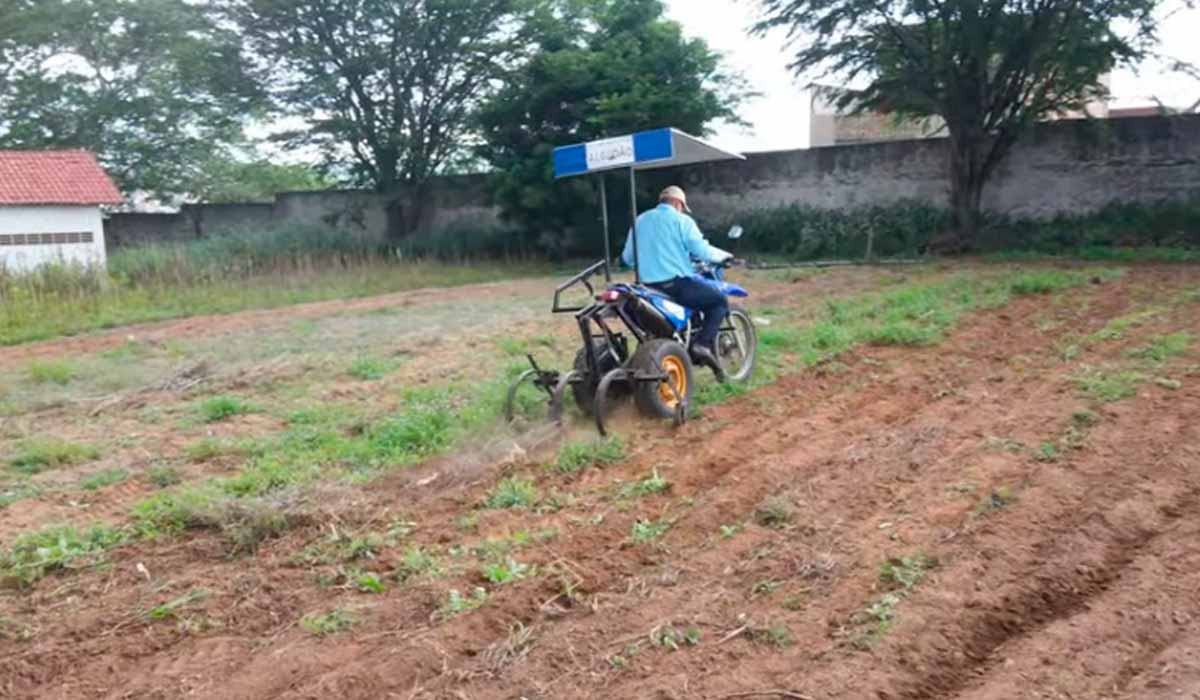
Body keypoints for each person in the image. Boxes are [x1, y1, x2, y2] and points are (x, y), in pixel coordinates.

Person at [620, 185, 733, 379]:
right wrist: (725, 256)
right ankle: (702, 345)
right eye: (682, 207)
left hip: (647, 289)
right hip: (675, 285)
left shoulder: (639, 221)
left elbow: (627, 258)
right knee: (719, 301)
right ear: (678, 203)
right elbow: (702, 251)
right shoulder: (682, 221)